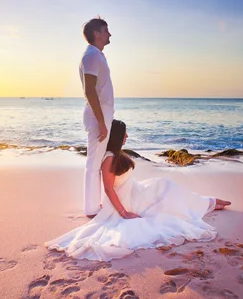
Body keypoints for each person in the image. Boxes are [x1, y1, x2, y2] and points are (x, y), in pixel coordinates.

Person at [45, 120, 232, 261]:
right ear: (118, 136)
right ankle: (209, 203)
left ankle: (208, 202)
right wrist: (124, 212)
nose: (127, 137)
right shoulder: (109, 158)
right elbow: (109, 189)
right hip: (129, 201)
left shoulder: (116, 155)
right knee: (167, 192)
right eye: (125, 134)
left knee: (166, 186)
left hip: (137, 190)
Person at [79, 17, 114, 218]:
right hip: (96, 115)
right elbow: (89, 91)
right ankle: (92, 208)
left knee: (97, 160)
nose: (109, 34)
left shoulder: (97, 55)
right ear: (96, 34)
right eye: (106, 30)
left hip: (101, 113)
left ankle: (95, 205)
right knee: (93, 162)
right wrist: (101, 122)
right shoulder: (91, 56)